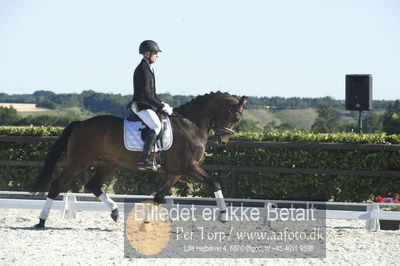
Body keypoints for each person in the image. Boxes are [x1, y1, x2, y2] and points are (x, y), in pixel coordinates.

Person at [130, 40, 173, 170]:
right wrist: (161, 106)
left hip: (148, 104)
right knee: (156, 126)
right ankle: (143, 160)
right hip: (140, 105)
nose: (157, 56)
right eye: (155, 53)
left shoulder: (149, 68)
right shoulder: (142, 69)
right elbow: (147, 96)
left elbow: (152, 94)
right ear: (147, 53)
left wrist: (162, 103)